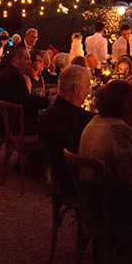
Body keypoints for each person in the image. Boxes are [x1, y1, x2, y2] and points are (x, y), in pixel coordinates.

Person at [78, 79, 132, 224]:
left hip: (91, 202)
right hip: (114, 209)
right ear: (127, 105)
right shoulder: (120, 129)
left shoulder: (94, 122)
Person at [39, 65, 94, 197]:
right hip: (77, 185)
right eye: (87, 86)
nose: (88, 92)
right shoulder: (58, 118)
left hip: (72, 179)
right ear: (76, 88)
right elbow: (71, 157)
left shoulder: (55, 113)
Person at [0, 46, 49, 137]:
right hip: (13, 126)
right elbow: (26, 101)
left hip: (4, 123)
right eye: (26, 59)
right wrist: (48, 101)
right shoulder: (14, 76)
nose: (29, 62)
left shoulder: (10, 72)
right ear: (16, 60)